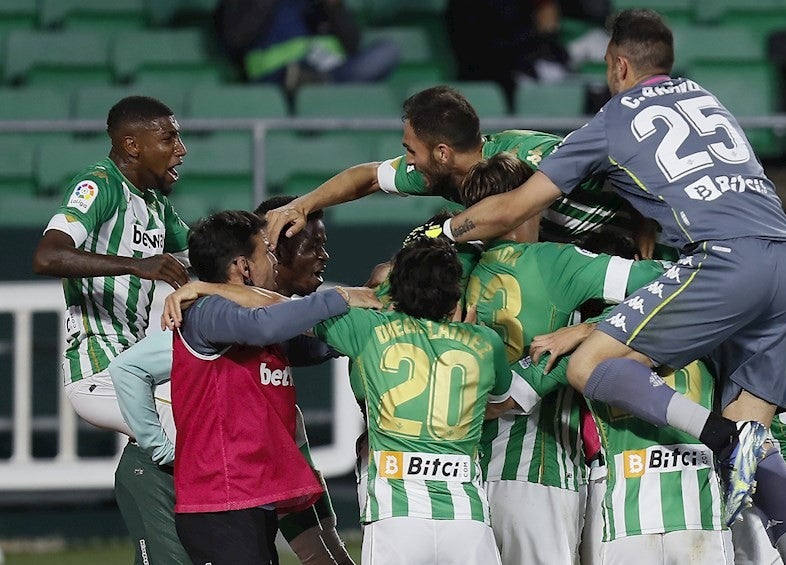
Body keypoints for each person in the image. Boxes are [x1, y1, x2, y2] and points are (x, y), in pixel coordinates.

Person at [427, 8, 786, 548]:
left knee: (590, 365)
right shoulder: (704, 98)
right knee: (759, 435)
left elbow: (510, 210)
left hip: (723, 258)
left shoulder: (611, 119)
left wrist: (442, 234)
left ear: (619, 66)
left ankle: (721, 439)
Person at [460, 153, 735, 564]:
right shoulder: (553, 262)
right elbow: (665, 281)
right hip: (539, 471)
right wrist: (589, 331)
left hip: (463, 478)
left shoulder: (459, 271)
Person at [111, 197, 363, 565]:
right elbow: (264, 325)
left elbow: (314, 344)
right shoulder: (210, 313)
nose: (275, 260)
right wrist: (342, 296)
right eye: (267, 253)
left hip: (247, 500)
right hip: (221, 503)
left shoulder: (246, 314)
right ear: (244, 266)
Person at [32, 95, 190, 565]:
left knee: (205, 415)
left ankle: (166, 547)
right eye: (169, 137)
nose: (180, 149)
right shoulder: (97, 186)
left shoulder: (156, 204)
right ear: (131, 144)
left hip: (138, 369)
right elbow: (46, 255)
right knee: (193, 432)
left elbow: (202, 250)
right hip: (98, 369)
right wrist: (133, 266)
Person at [312, 237, 513, 565]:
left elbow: (283, 310)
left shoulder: (366, 329)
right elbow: (502, 400)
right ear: (454, 294)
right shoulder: (486, 342)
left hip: (395, 515)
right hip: (466, 516)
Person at [263, 85, 643, 251]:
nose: (408, 161)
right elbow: (367, 176)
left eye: (411, 151)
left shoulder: (534, 157)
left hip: (639, 255)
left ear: (442, 152)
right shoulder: (439, 174)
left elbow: (633, 181)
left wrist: (648, 247)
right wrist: (303, 204)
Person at [215, 0, 399, 91]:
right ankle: (314, 85)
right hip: (276, 75)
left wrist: (333, 6)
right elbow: (234, 40)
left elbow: (353, 45)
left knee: (386, 51)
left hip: (329, 70)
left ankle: (319, 84)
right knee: (292, 76)